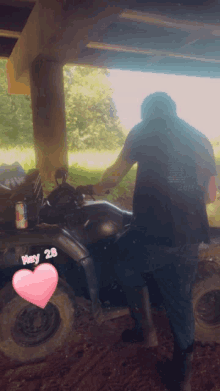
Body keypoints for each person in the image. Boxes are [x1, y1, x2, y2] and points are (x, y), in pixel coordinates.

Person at [77, 92, 217, 391]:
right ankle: (183, 374)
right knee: (180, 300)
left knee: (121, 260)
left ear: (146, 113)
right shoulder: (200, 137)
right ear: (174, 111)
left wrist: (91, 187)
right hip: (190, 237)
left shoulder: (142, 131)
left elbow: (114, 176)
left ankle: (145, 330)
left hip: (150, 234)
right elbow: (210, 195)